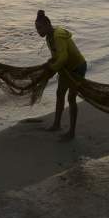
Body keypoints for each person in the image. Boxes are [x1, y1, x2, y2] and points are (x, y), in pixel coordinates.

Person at [35, 10, 87, 141]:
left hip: (78, 67)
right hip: (66, 69)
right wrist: (51, 62)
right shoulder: (49, 37)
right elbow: (57, 55)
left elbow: (63, 57)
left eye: (40, 28)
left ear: (48, 25)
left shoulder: (58, 35)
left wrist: (51, 69)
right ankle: (56, 124)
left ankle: (71, 132)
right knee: (60, 94)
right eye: (36, 28)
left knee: (71, 98)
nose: (38, 31)